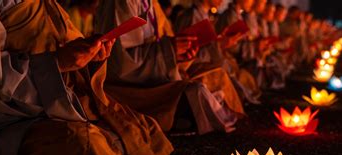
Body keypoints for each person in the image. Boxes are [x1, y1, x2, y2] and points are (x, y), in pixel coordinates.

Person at [0, 0, 174, 155]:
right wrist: (56, 62)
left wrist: (91, 54)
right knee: (87, 146)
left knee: (143, 131)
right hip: (14, 117)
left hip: (63, 101)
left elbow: (64, 50)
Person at [96, 0, 241, 134]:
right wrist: (170, 49)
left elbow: (155, 45)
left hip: (152, 75)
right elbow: (121, 63)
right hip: (128, 88)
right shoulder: (122, 2)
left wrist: (178, 54)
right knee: (196, 92)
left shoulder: (149, 3)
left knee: (202, 89)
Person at [173, 0, 251, 109]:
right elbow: (187, 54)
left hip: (205, 64)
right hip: (192, 69)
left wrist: (220, 43)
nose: (222, 0)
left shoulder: (205, 15)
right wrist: (219, 45)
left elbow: (207, 46)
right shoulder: (190, 16)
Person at [215, 0, 261, 104]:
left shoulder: (238, 15)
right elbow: (229, 44)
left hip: (231, 54)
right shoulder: (230, 16)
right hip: (226, 55)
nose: (252, 3)